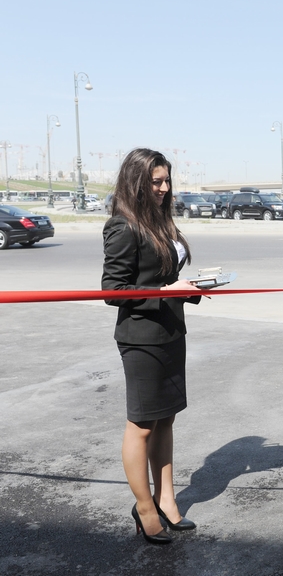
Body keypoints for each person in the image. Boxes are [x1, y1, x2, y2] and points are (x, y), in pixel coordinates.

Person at [101, 148, 201, 545]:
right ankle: (144, 509)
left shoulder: (159, 221)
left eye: (166, 181)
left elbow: (167, 278)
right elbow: (113, 290)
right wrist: (166, 291)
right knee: (141, 425)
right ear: (136, 183)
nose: (163, 188)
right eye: (155, 182)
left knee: (166, 419)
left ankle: (167, 500)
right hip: (141, 339)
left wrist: (192, 289)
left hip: (171, 333)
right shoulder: (122, 226)